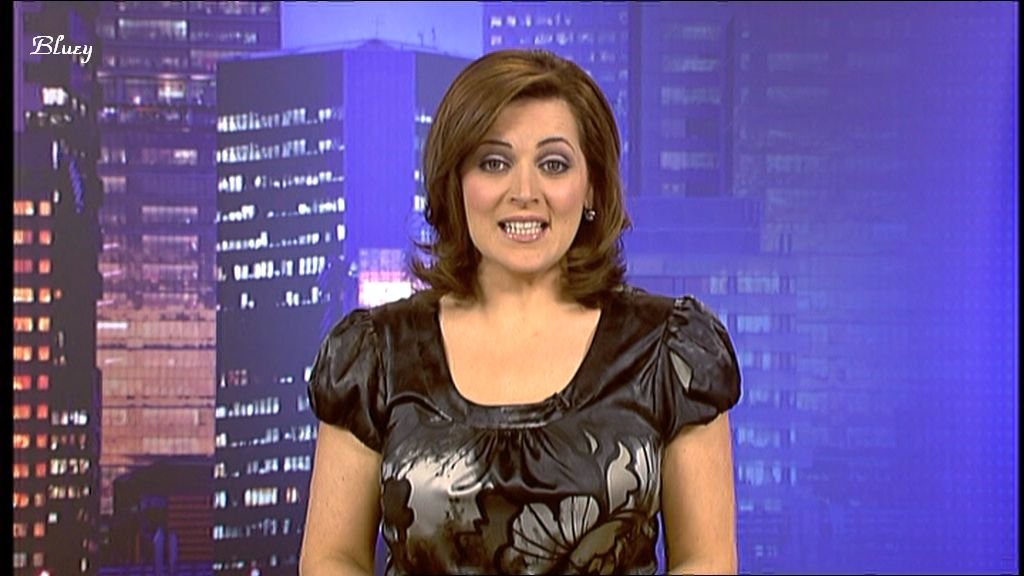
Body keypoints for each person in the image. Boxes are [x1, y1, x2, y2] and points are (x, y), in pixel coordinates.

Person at [299, 48, 742, 576]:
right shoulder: (375, 354)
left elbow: (706, 560)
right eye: (494, 162)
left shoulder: (671, 351)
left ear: (592, 186)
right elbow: (332, 558)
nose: (525, 192)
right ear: (456, 183)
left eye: (553, 164)